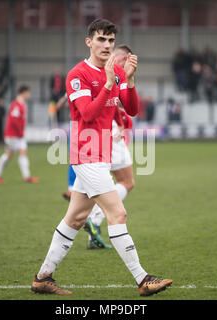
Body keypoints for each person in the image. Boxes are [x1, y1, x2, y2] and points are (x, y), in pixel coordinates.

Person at [31, 18, 172, 296]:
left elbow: (131, 110)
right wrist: (108, 82)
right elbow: (88, 114)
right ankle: (143, 279)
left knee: (74, 218)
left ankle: (43, 277)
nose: (106, 45)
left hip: (101, 154)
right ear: (89, 42)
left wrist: (129, 80)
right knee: (117, 212)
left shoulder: (117, 72)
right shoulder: (77, 75)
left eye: (110, 40)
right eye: (101, 40)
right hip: (86, 155)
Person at [84, 44, 136, 250]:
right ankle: (95, 218)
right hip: (107, 130)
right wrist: (120, 125)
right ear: (123, 56)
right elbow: (112, 102)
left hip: (96, 132)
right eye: (127, 59)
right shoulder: (112, 69)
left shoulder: (99, 68)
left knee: (91, 192)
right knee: (127, 181)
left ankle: (92, 237)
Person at [0, 85, 39, 184]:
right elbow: (14, 120)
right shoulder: (17, 104)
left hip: (17, 135)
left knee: (21, 153)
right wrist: (19, 131)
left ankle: (26, 177)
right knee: (9, 155)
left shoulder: (20, 103)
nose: (29, 95)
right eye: (28, 93)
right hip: (13, 135)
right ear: (24, 93)